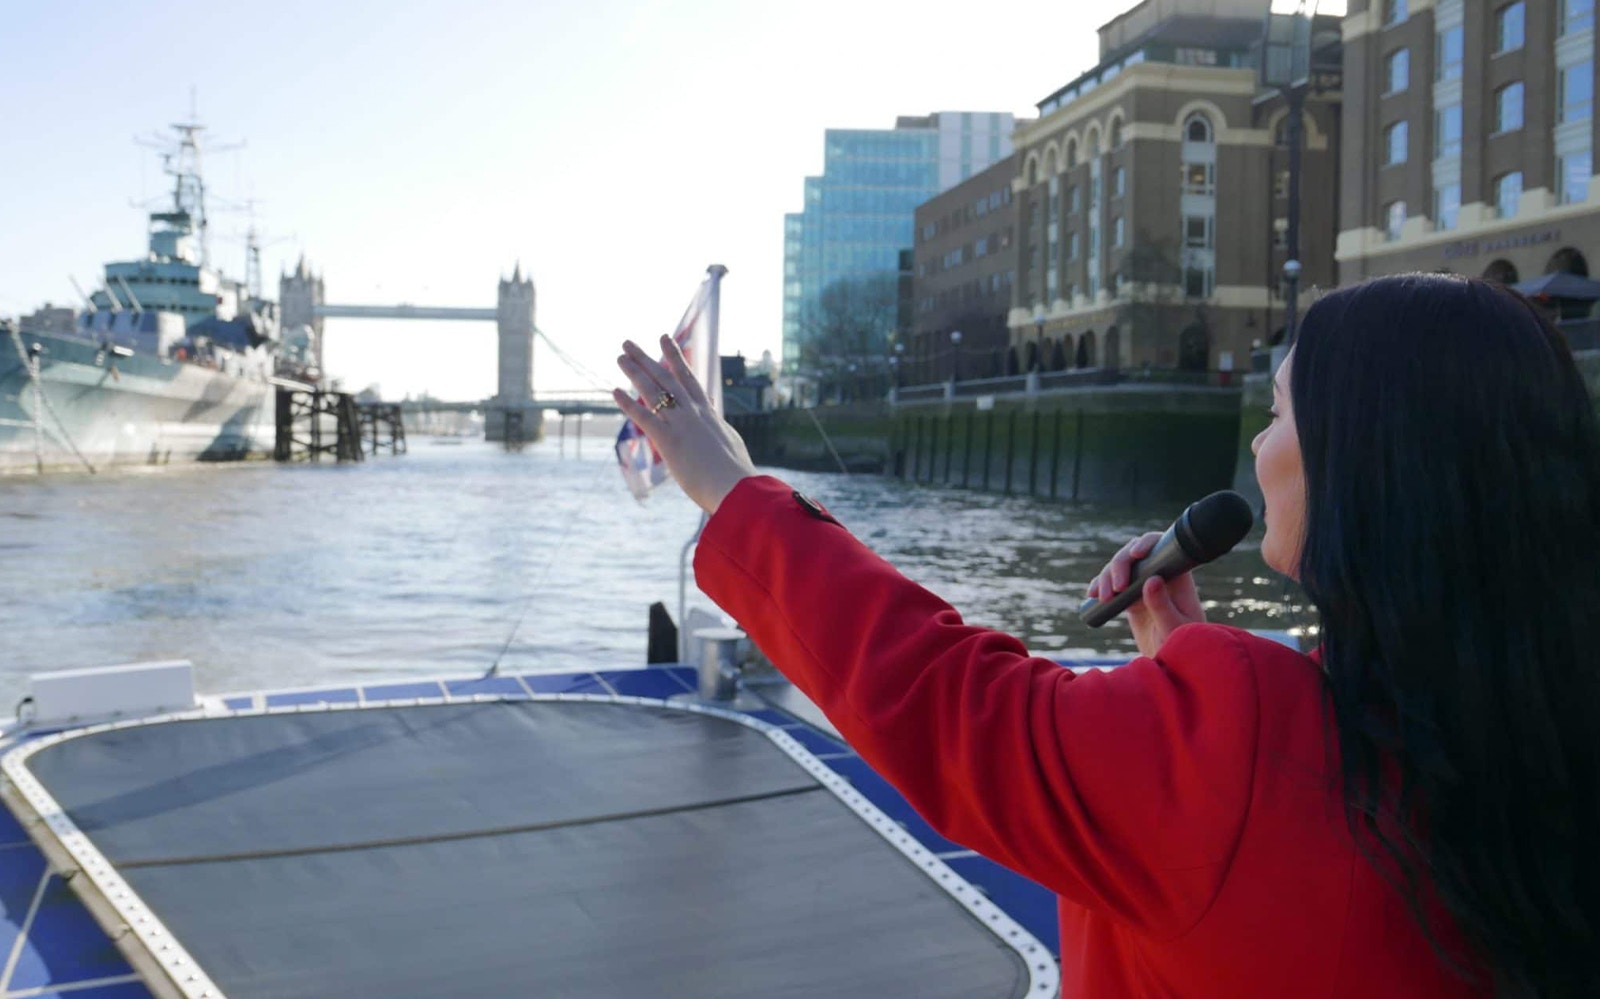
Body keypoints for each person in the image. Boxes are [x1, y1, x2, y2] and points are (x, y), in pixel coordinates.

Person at [613, 273, 1600, 998]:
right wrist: (1183, 674)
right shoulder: (1543, 734)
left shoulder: (1247, 740)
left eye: (1278, 409)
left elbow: (953, 705)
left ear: (1368, 463)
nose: (1255, 445)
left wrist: (733, 490)